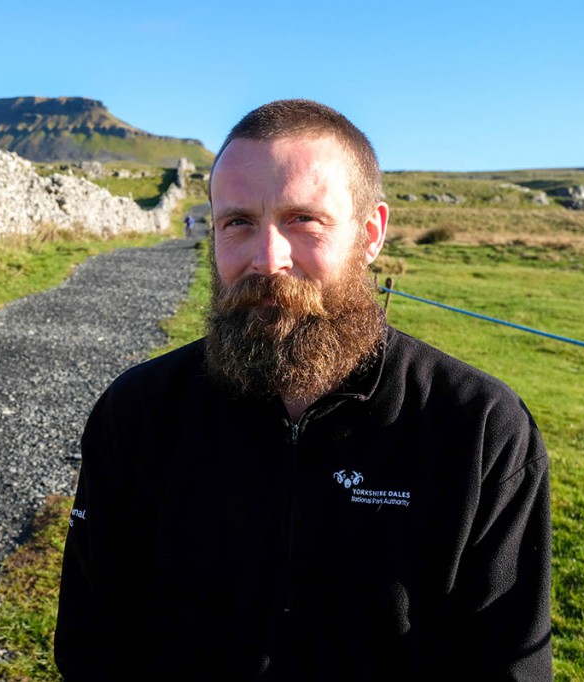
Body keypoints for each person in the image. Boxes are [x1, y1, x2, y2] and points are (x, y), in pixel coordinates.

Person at [54, 99, 552, 680]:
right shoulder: (138, 412)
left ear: (370, 235)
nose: (268, 259)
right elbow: (95, 644)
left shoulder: (479, 428)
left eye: (304, 220)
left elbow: (509, 665)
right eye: (237, 222)